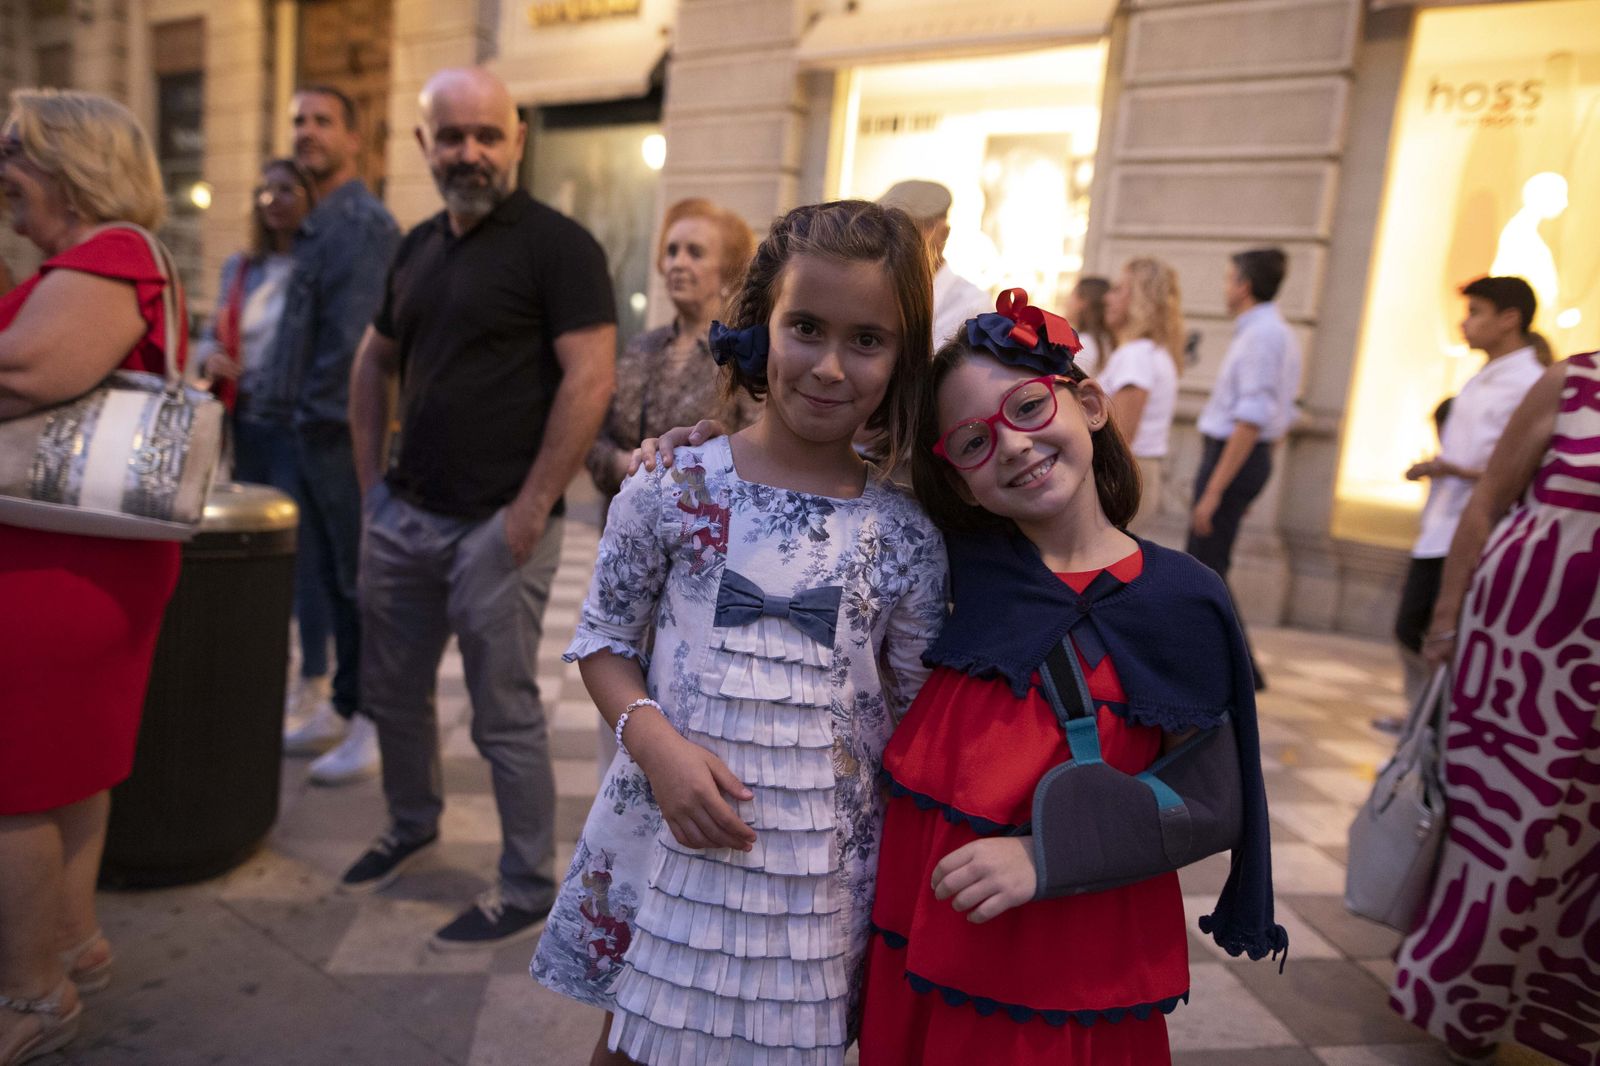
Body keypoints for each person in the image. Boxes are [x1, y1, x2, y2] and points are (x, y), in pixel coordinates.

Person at [531, 199, 950, 1066]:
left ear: (904, 356)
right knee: (635, 1038)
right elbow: (602, 639)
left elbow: (916, 717)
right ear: (760, 326)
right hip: (667, 833)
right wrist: (656, 747)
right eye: (806, 327)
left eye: (867, 340)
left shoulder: (908, 536)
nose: (831, 366)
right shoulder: (672, 487)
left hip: (815, 878)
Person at [855, 291, 1286, 1065]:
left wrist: (1043, 856)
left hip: (1076, 962)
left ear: (1088, 403)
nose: (1012, 446)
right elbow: (818, 478)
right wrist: (708, 449)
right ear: (959, 483)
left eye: (1026, 407)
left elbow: (1215, 801)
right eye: (974, 443)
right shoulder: (957, 571)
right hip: (936, 936)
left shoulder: (1182, 598)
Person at [339, 67, 618, 950]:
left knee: (503, 710)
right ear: (424, 144)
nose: (470, 153)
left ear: (518, 138)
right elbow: (371, 362)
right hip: (404, 518)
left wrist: (533, 507)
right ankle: (410, 820)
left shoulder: (559, 246)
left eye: (487, 135)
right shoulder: (417, 244)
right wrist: (368, 494)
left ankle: (528, 878)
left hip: (500, 524)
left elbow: (591, 377)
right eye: (451, 136)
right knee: (391, 690)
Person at [0, 89, 183, 1066]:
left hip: (60, 559)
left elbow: (27, 373)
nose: (0, 167)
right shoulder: (91, 259)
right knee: (65, 763)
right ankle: (71, 942)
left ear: (68, 161)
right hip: (77, 552)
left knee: (15, 777)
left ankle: (29, 996)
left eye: (13, 148)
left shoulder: (108, 254)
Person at [1390, 350, 1600, 1066]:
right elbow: (1487, 500)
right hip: (1518, 655)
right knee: (1498, 825)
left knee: (1584, 848)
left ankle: (1559, 1015)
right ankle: (1462, 1000)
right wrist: (1446, 617)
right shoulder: (1575, 381)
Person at [271, 84, 402, 785]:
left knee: (358, 583)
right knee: (326, 578)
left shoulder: (361, 224)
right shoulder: (322, 221)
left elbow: (361, 353)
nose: (307, 132)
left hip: (339, 433)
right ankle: (342, 705)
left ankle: (371, 721)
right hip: (309, 428)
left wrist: (358, 449)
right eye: (299, 121)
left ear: (355, 139)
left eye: (322, 121)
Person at [194, 156, 329, 720]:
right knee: (253, 547)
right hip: (242, 417)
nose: (274, 199)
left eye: (287, 188)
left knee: (304, 557)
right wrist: (209, 356)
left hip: (291, 424)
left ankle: (315, 676)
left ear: (307, 197)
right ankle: (262, 666)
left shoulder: (315, 265)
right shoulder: (239, 267)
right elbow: (211, 332)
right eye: (265, 190)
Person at [1387, 276, 1545, 715]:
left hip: (1476, 529)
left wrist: (1457, 470)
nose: (1465, 323)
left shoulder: (1530, 383)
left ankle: (1437, 728)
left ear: (1510, 319)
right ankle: (1422, 725)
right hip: (1443, 523)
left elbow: (1521, 469)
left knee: (1430, 630)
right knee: (1411, 630)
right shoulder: (1483, 378)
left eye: (1476, 312)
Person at [585, 197, 757, 503]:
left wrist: (660, 475)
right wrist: (629, 465)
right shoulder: (642, 347)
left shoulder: (739, 355)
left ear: (726, 271)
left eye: (695, 252)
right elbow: (595, 439)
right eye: (672, 251)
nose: (678, 263)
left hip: (700, 535)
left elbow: (754, 455)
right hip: (624, 529)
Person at [1099, 256, 1183, 532]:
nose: (1108, 299)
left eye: (1119, 289)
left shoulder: (1136, 355)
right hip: (1138, 470)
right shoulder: (1150, 352)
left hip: (1124, 473)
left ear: (1139, 299)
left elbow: (1120, 435)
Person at [878, 179, 990, 347]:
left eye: (909, 228)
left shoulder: (972, 304)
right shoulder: (879, 285)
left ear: (943, 233)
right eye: (886, 228)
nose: (894, 239)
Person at [1065, 274, 1111, 377]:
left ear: (1083, 302)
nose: (1067, 302)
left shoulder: (1084, 344)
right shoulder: (1105, 340)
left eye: (1072, 295)